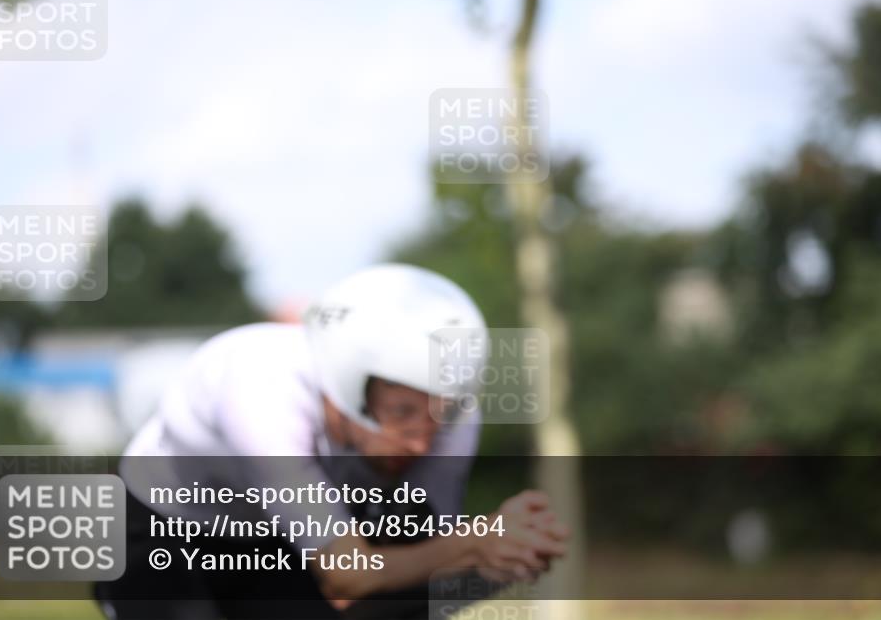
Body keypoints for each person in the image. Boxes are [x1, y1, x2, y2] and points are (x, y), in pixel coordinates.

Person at [96, 263, 568, 620]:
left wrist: (505, 553)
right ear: (344, 382)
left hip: (274, 539)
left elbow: (421, 570)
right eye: (401, 413)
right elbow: (348, 575)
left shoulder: (453, 416)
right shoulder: (261, 387)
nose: (422, 444)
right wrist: (474, 545)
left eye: (437, 417)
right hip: (163, 531)